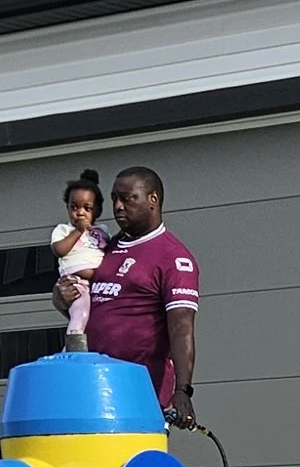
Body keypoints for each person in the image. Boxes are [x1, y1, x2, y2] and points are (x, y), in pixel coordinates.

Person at [76, 163, 199, 427]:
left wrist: (183, 389)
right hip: (95, 388)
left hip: (141, 392)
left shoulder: (173, 257)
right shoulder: (104, 250)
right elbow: (93, 309)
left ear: (152, 199)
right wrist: (61, 298)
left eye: (127, 198)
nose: (118, 206)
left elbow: (181, 327)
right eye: (114, 199)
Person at [52, 168, 109, 350]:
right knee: (80, 313)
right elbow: (59, 250)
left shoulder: (101, 232)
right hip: (76, 283)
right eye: (74, 207)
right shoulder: (64, 230)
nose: (80, 213)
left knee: (91, 315)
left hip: (97, 285)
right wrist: (78, 231)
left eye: (87, 208)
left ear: (97, 211)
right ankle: (73, 347)